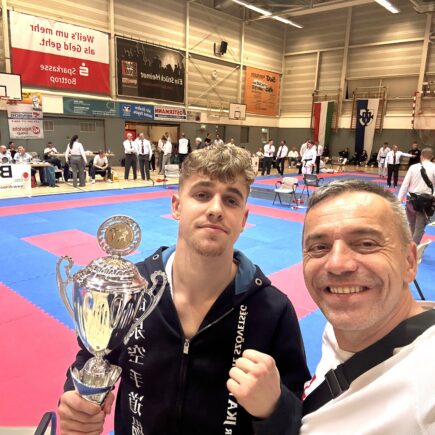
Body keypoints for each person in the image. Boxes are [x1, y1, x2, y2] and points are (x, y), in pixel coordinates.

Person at [58, 144, 310, 435]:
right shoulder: (130, 288)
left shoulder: (272, 310)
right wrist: (76, 400)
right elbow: (93, 355)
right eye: (202, 195)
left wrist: (274, 408)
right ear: (177, 206)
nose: (215, 209)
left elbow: (295, 412)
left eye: (231, 200)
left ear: (243, 219)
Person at [300, 179, 435, 434]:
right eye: (319, 247)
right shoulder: (340, 327)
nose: (337, 264)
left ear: (409, 262)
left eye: (366, 244)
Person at [398, 147, 435, 244]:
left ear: (421, 156)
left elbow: (405, 184)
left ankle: (410, 246)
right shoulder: (434, 167)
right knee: (419, 228)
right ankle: (413, 248)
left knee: (411, 224)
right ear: (431, 157)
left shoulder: (413, 167)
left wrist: (399, 199)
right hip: (425, 202)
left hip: (410, 200)